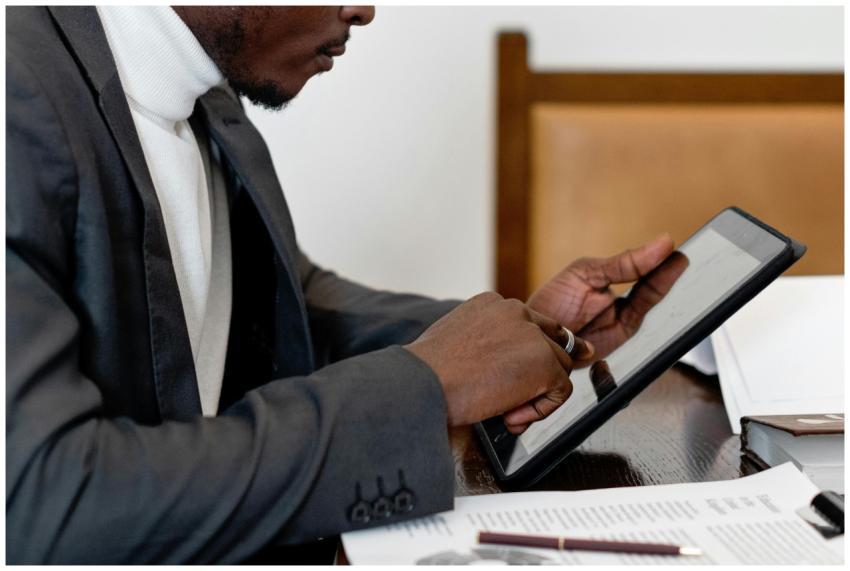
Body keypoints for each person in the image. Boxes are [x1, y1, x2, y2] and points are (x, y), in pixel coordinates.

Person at [5, 5, 674, 564]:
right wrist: (428, 387)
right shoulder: (18, 102)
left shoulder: (211, 99)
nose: (364, 9)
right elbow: (43, 498)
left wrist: (514, 336)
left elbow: (288, 299)